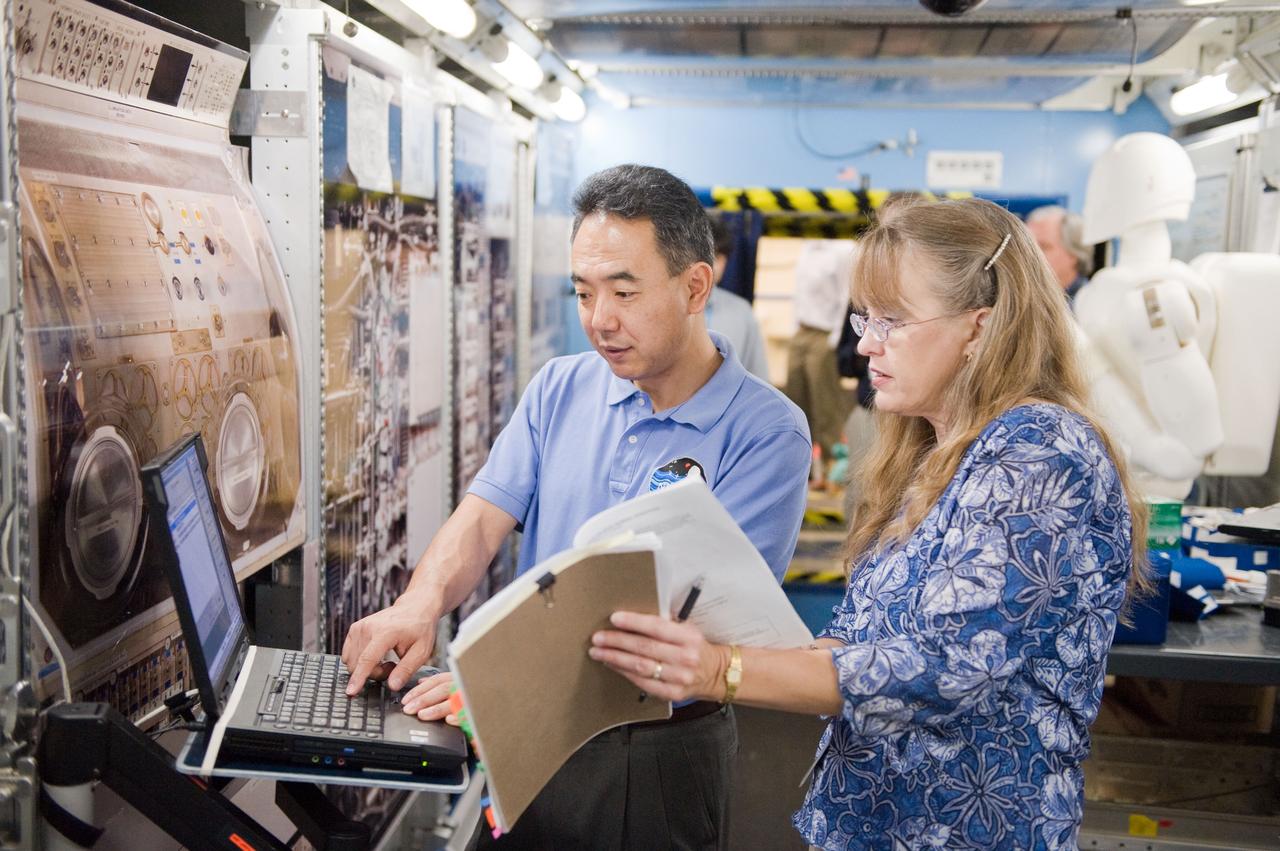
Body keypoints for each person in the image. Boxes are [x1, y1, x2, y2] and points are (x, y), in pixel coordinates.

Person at [590, 197, 1150, 850]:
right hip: (877, 825)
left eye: (893, 320)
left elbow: (946, 665)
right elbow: (860, 641)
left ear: (981, 327)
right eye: (864, 316)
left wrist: (722, 669)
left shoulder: (1039, 449)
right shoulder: (931, 455)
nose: (865, 343)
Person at [341, 164, 812, 849]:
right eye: (584, 293)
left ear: (695, 286)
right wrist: (420, 603)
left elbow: (687, 624)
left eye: (624, 291)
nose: (600, 320)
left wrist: (507, 690)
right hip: (528, 732)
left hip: (655, 752)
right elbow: (481, 517)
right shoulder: (561, 387)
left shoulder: (767, 433)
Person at [786, 239, 858, 486]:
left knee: (824, 404)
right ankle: (801, 470)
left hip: (824, 333)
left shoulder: (843, 250)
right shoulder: (807, 247)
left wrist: (838, 338)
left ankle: (832, 470)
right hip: (802, 330)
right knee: (795, 401)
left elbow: (845, 296)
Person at [705, 218, 769, 380]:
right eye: (706, 255)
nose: (714, 266)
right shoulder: (664, 308)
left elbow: (758, 376)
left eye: (719, 257)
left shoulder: (741, 311)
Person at [1027, 204, 1094, 301]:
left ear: (1074, 254)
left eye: (1043, 247)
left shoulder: (1091, 305)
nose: (1030, 254)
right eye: (1028, 246)